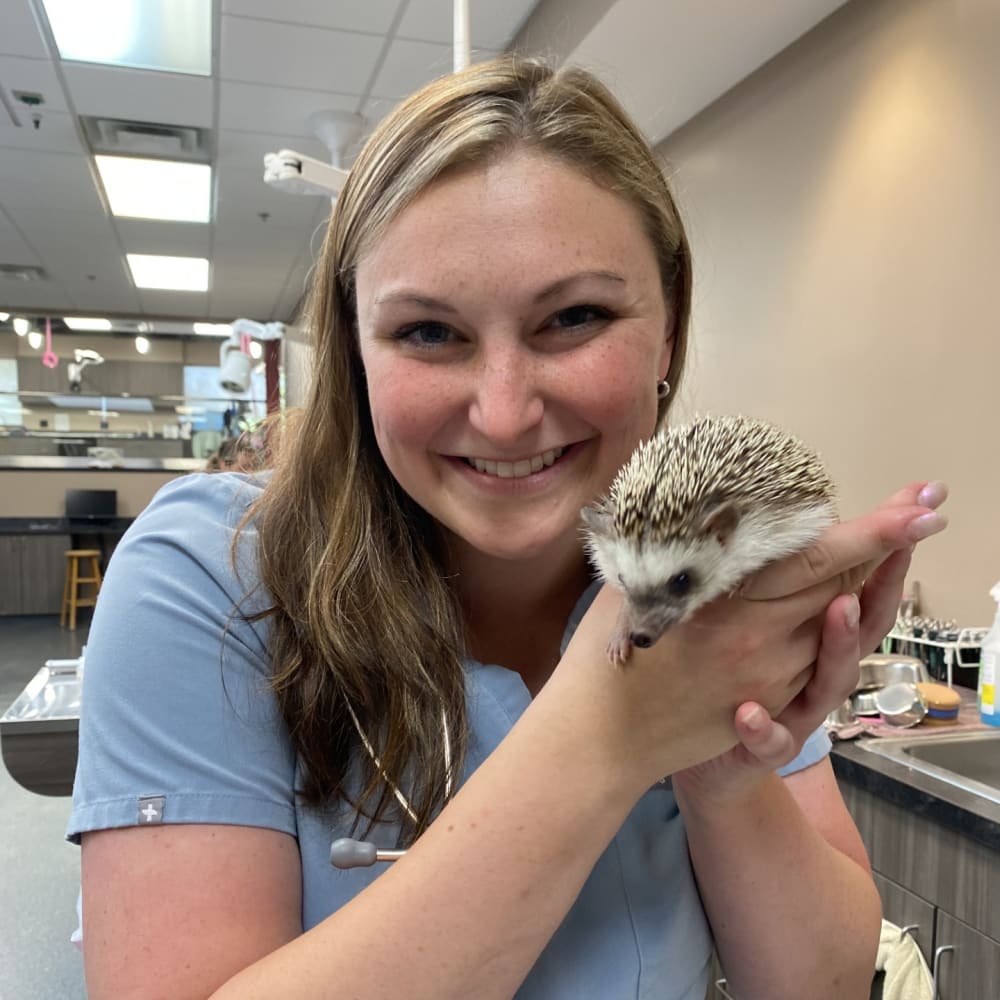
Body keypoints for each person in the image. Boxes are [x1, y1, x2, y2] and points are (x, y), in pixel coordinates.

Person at [68, 56, 948, 999]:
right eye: (427, 332)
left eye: (573, 317)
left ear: (668, 325)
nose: (503, 414)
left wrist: (722, 775)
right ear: (355, 347)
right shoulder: (207, 575)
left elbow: (822, 983)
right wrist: (612, 731)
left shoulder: (721, 566)